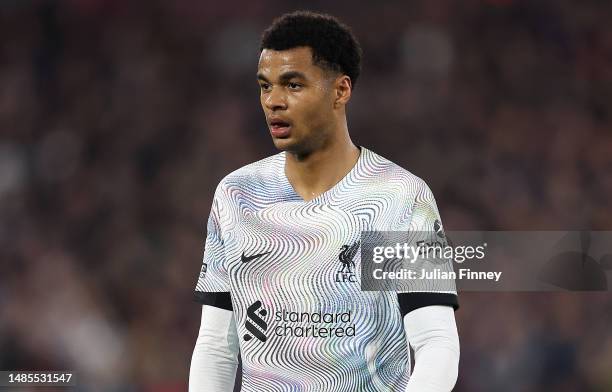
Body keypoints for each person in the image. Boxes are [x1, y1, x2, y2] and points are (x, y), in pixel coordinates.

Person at [189, 11, 460, 392]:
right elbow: (216, 348)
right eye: (265, 86)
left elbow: (436, 343)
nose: (274, 101)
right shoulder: (236, 195)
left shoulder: (398, 197)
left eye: (293, 85)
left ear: (341, 90)